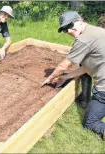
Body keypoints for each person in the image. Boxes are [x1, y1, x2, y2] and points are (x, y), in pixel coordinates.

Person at [42, 11, 105, 139]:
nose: (69, 30)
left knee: (90, 123)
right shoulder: (97, 31)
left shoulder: (83, 40)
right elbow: (87, 67)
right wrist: (66, 77)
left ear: (80, 20)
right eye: (66, 29)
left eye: (70, 25)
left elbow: (63, 66)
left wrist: (50, 78)